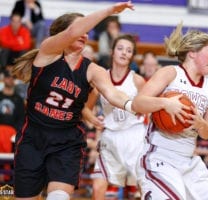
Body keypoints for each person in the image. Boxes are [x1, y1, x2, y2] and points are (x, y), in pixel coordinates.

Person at [12, 2, 135, 200]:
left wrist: (133, 105)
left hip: (66, 142)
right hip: (33, 139)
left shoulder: (93, 70)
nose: (85, 34)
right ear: (62, 34)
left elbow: (113, 95)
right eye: (82, 29)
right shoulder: (48, 52)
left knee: (58, 197)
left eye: (88, 31)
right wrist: (109, 11)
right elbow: (72, 32)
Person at [132, 22, 208, 199]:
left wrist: (200, 123)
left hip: (189, 159)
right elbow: (138, 103)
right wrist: (165, 104)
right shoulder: (170, 73)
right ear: (192, 53)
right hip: (159, 156)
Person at [87, 34, 146, 200]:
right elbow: (86, 108)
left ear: (132, 56)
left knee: (143, 187)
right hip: (111, 135)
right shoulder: (101, 78)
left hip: (135, 135)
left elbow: (149, 109)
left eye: (129, 50)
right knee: (98, 187)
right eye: (120, 48)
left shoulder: (138, 80)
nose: (124, 53)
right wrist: (92, 119)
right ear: (112, 52)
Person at [0, 69, 25, 183]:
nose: (10, 79)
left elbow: (21, 119)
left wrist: (15, 132)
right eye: (8, 77)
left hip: (11, 133)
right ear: (4, 78)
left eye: (13, 78)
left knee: (12, 158)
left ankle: (7, 181)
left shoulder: (19, 100)